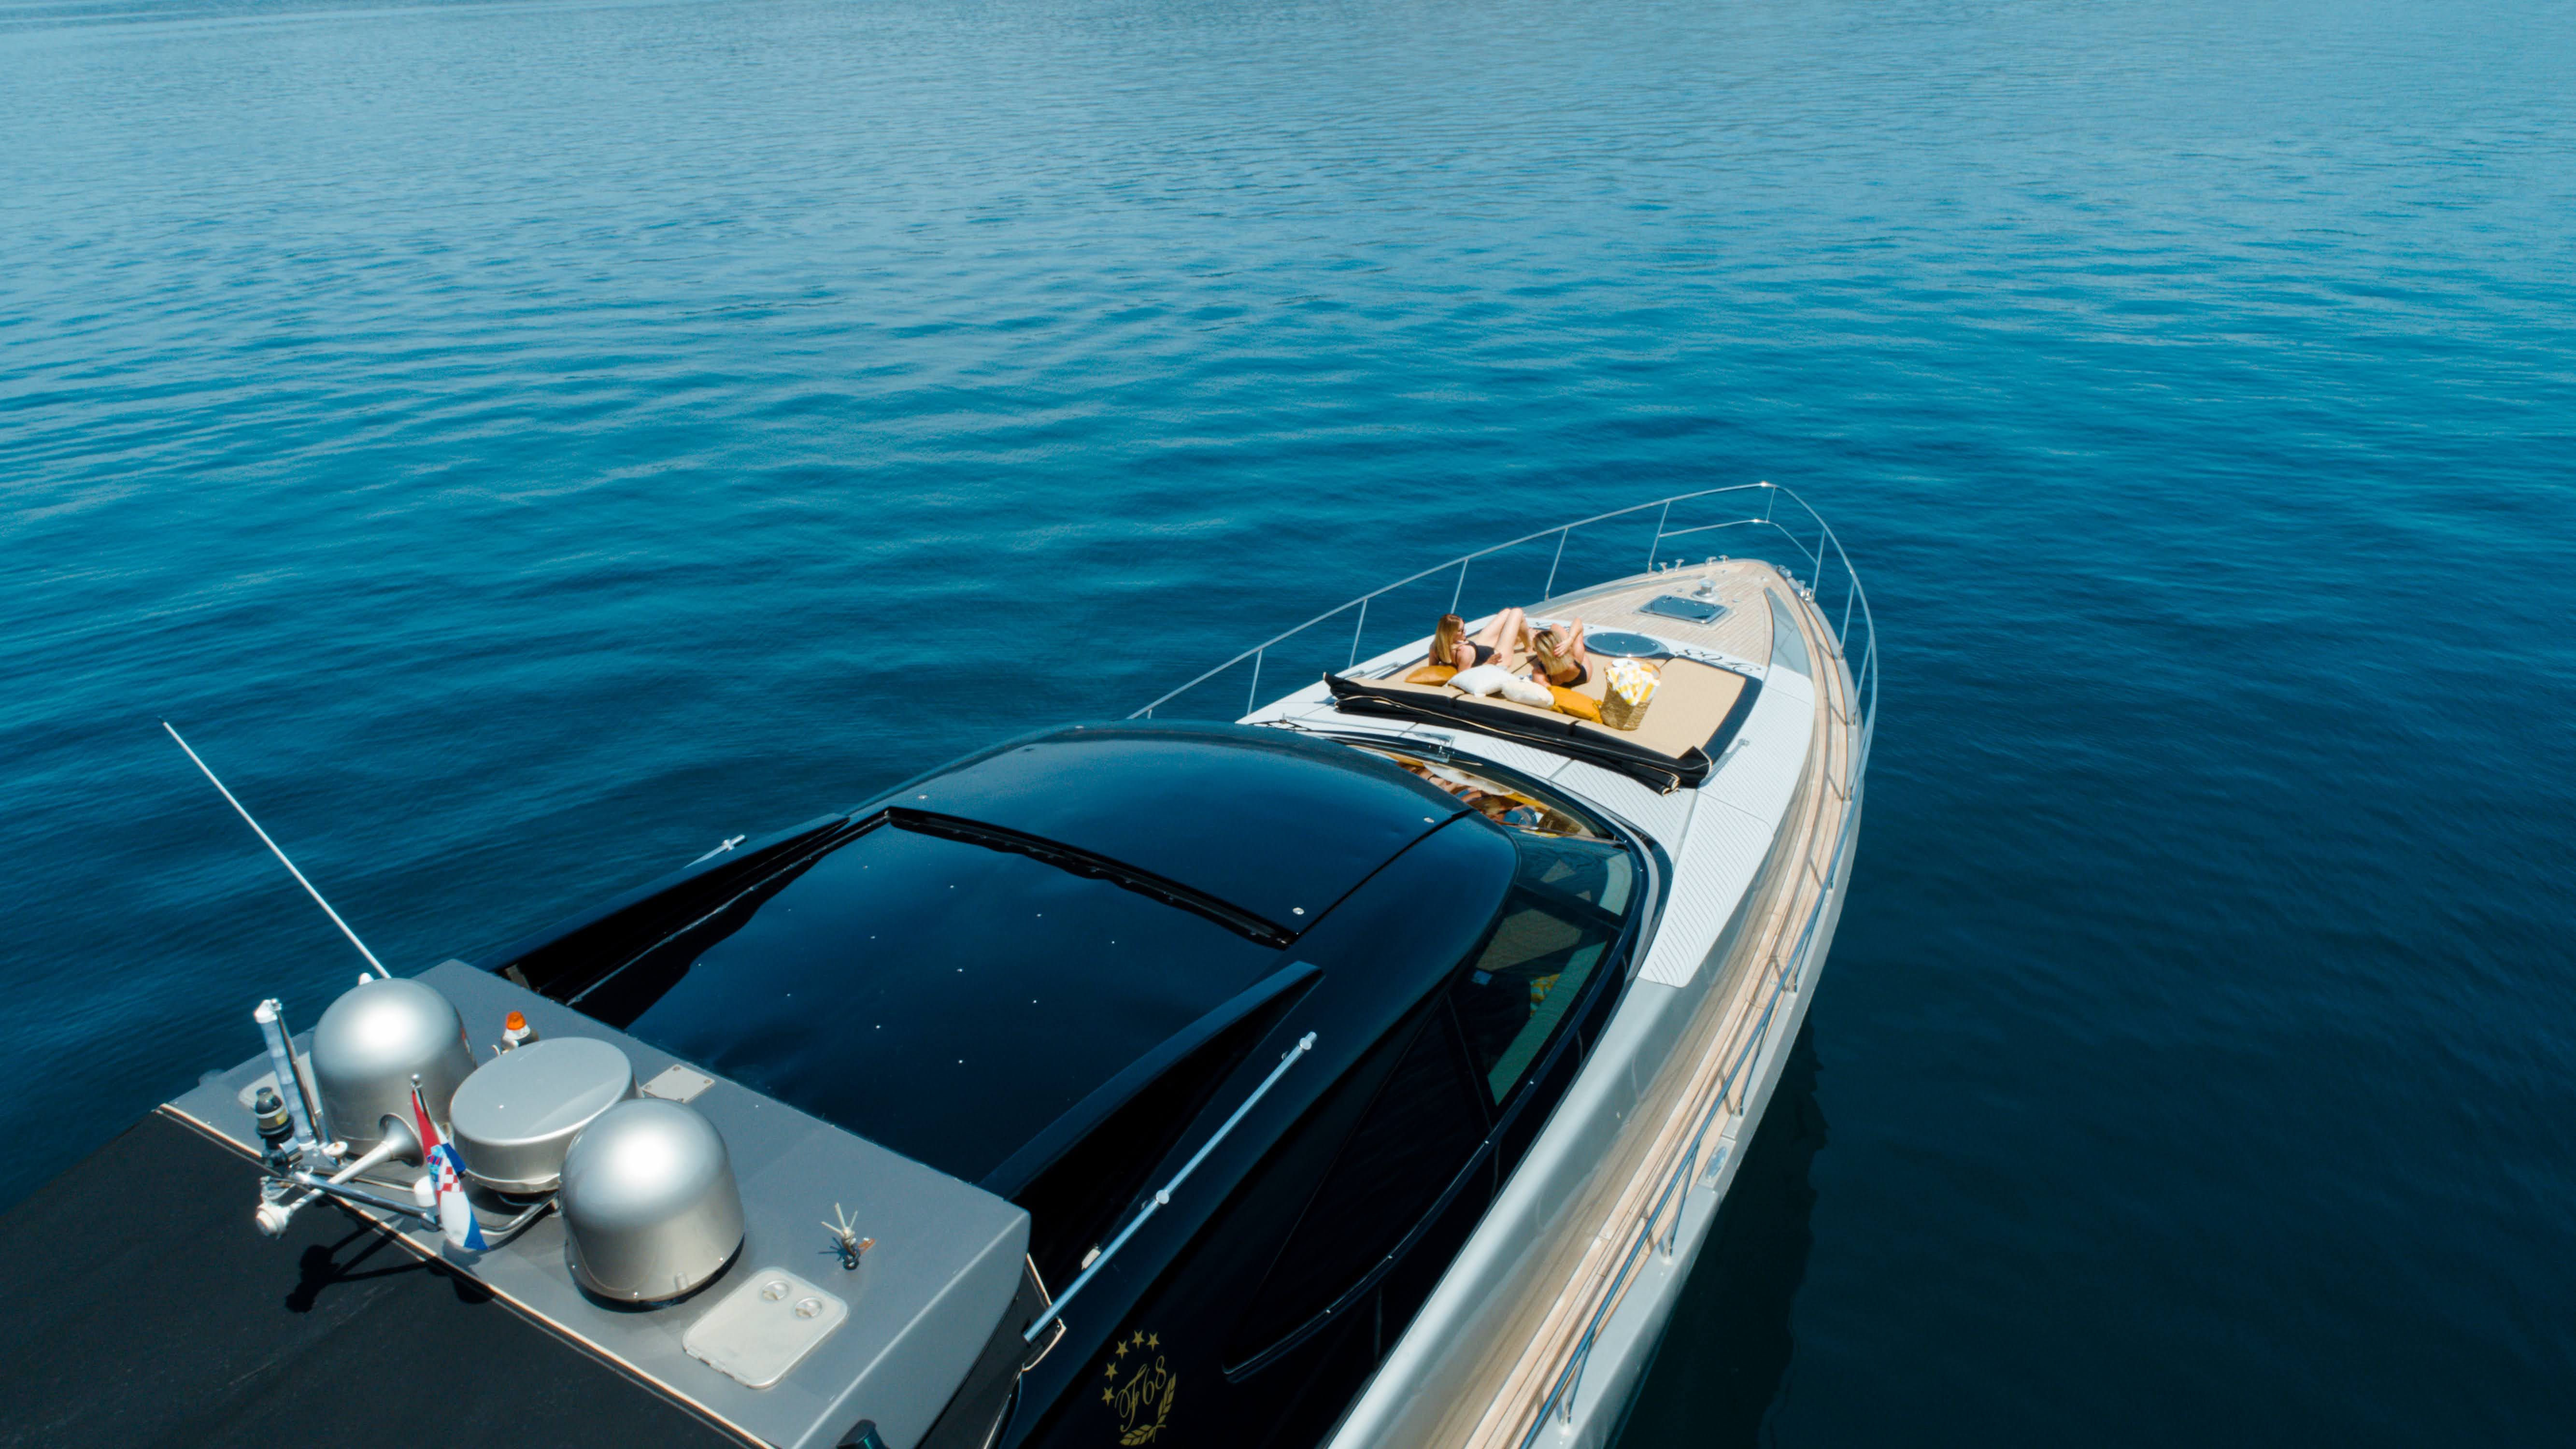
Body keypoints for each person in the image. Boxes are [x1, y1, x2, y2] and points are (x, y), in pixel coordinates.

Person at [1429, 609, 1533, 672]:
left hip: (1478, 649)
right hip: (1498, 658)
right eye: (1461, 631)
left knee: (1506, 613)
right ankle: (1529, 648)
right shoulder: (1464, 652)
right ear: (1450, 634)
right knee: (1517, 612)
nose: (1465, 631)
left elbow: (1432, 668)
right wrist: (1487, 664)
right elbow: (1464, 679)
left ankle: (1518, 639)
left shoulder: (1435, 646)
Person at [1530, 622, 1592, 688]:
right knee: (1555, 627)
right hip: (1582, 676)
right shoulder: (1575, 655)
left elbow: (1549, 694)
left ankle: (1545, 640)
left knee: (1554, 627)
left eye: (1535, 649)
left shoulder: (1538, 673)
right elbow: (1579, 623)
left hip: (1555, 673)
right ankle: (1552, 640)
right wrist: (1570, 640)